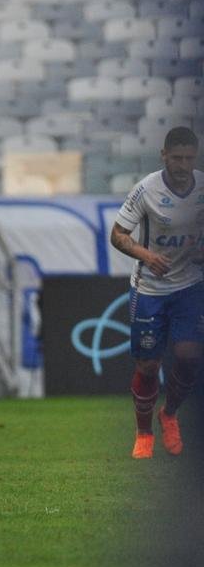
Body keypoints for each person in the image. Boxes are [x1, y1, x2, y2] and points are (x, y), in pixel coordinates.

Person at [110, 126, 203, 459]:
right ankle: (144, 432)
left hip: (190, 286)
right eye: (176, 158)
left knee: (189, 356)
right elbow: (118, 234)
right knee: (148, 365)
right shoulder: (146, 189)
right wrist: (147, 256)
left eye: (189, 158)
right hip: (149, 288)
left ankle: (170, 414)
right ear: (164, 155)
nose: (183, 165)